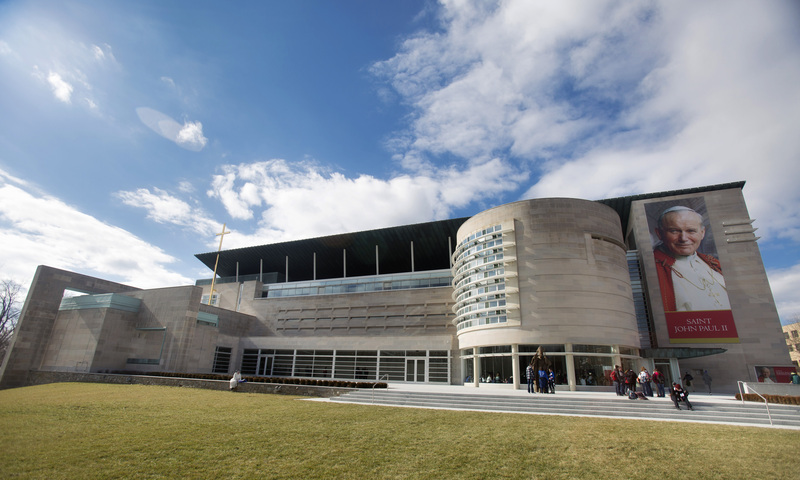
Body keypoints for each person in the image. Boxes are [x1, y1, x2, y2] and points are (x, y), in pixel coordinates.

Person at [653, 206, 730, 312]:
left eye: (691, 231)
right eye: (674, 231)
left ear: (702, 233)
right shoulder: (653, 268)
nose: (683, 238)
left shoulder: (714, 263)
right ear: (659, 234)